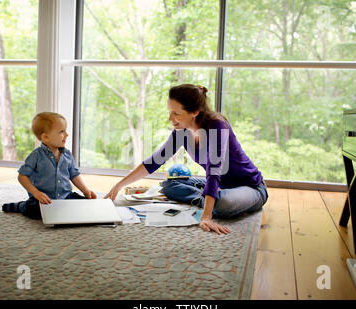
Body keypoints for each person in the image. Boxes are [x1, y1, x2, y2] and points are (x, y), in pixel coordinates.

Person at [105, 84, 268, 235]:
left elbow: (214, 169)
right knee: (169, 184)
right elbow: (155, 160)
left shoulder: (217, 126)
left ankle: (216, 201)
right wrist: (118, 185)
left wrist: (206, 216)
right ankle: (212, 198)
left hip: (251, 187)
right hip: (220, 185)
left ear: (195, 111)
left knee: (223, 204)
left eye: (176, 113)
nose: (170, 118)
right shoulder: (181, 131)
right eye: (170, 111)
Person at [2, 112, 97, 220]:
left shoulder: (67, 154)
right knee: (36, 212)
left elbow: (74, 175)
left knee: (85, 205)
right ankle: (22, 205)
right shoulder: (36, 156)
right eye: (61, 131)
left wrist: (85, 190)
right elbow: (22, 176)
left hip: (65, 197)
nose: (66, 134)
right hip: (43, 200)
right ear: (45, 137)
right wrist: (36, 193)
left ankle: (63, 208)